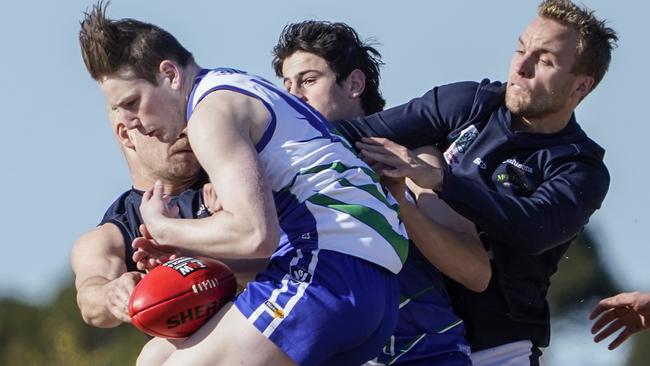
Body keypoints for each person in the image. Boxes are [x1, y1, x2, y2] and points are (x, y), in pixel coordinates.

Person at [79, 2, 408, 366]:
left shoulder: (208, 115)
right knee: (155, 357)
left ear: (170, 74)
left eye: (133, 101)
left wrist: (162, 227)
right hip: (365, 280)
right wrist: (192, 253)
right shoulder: (232, 85)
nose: (132, 121)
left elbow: (255, 234)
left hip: (329, 271)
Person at [333, 0, 617, 364]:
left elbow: (533, 227)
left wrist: (438, 180)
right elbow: (353, 135)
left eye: (545, 61)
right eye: (520, 49)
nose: (521, 67)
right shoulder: (469, 103)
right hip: (405, 336)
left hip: (495, 351)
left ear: (581, 86)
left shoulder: (580, 166)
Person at [273, 20, 489, 365]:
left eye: (309, 81)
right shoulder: (283, 177)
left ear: (354, 83)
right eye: (287, 86)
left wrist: (400, 200)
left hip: (428, 356)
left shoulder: (414, 159)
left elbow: (475, 273)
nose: (294, 96)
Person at [71, 108, 207, 327]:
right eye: (168, 120)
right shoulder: (109, 237)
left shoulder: (229, 181)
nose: (184, 130)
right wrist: (112, 293)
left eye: (188, 118)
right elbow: (91, 301)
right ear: (126, 134)